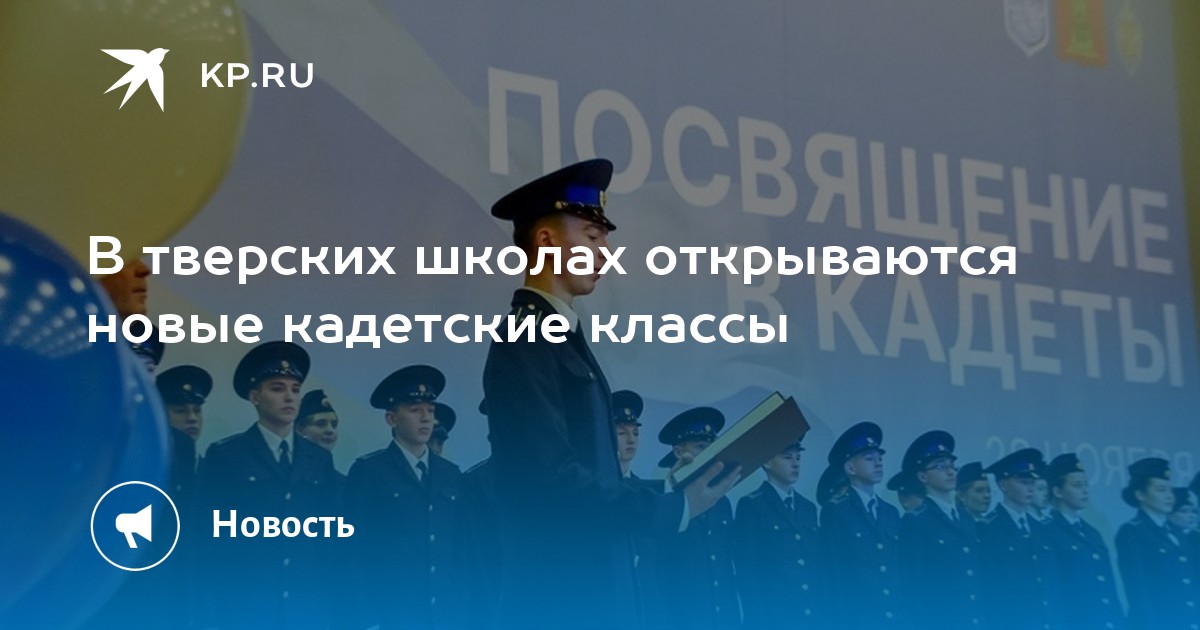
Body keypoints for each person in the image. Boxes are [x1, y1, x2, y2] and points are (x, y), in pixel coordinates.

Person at [482, 159, 740, 627]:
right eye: (592, 237)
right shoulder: (525, 337)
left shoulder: (559, 335)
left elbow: (590, 466)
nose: (605, 254)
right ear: (546, 240)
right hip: (559, 597)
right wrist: (670, 509)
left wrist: (668, 489)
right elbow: (552, 477)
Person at [195, 341, 340, 629]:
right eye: (277, 388)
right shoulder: (227, 455)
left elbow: (330, 541)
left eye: (295, 390)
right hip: (245, 608)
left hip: (306, 608)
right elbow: (207, 543)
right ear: (255, 396)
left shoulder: (319, 459)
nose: (289, 397)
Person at [345, 365, 468, 629]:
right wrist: (365, 620)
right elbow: (354, 553)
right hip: (393, 614)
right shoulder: (369, 471)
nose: (425, 418)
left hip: (446, 614)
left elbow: (460, 548)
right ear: (392, 419)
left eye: (430, 411)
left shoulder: (450, 473)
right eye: (415, 410)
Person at [653, 407, 740, 629]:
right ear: (678, 451)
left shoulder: (722, 501)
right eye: (700, 447)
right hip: (681, 618)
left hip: (723, 617)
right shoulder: (663, 502)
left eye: (712, 447)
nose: (708, 454)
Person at [896, 430, 983, 629]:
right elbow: (915, 586)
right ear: (923, 476)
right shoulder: (917, 521)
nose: (951, 472)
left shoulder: (965, 517)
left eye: (952, 465)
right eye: (940, 467)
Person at [820, 421, 903, 626]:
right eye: (869, 458)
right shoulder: (836, 510)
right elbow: (835, 574)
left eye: (879, 458)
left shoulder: (890, 512)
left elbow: (898, 569)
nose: (878, 463)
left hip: (894, 616)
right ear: (850, 467)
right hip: (859, 617)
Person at [734, 438, 824, 625]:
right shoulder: (752, 505)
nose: (795, 463)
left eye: (798, 458)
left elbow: (816, 567)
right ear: (767, 462)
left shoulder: (807, 507)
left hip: (811, 615)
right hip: (774, 616)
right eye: (787, 457)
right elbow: (748, 570)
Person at [1042, 453, 1124, 629]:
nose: (1085, 490)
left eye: (1086, 485)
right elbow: (1053, 591)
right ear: (1057, 491)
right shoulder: (1047, 532)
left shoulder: (1092, 532)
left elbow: (1108, 588)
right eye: (1077, 485)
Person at [979, 448, 1059, 629]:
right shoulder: (988, 528)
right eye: (1023, 482)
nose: (1030, 488)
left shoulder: (1041, 528)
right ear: (1003, 485)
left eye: (1032, 482)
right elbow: (990, 588)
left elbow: (1052, 586)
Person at [1115, 458, 1195, 629]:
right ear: (1140, 495)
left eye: (1170, 490)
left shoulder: (1176, 532)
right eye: (1161, 490)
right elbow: (1138, 590)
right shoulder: (1132, 532)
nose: (1169, 496)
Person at [613, 390, 644, 480]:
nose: (631, 440)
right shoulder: (592, 483)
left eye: (635, 433)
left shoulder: (640, 486)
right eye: (621, 433)